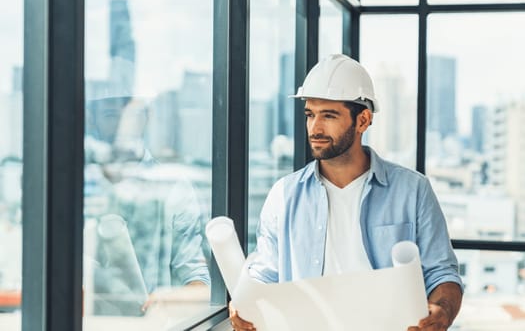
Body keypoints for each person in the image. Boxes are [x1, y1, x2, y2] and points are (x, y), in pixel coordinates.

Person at [229, 54, 463, 331]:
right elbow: (265, 272)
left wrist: (443, 311)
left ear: (362, 121)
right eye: (310, 114)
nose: (315, 128)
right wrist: (246, 299)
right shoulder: (283, 195)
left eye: (328, 115)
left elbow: (442, 273)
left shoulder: (413, 191)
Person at [85, 94, 210, 316]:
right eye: (110, 115)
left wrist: (170, 301)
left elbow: (196, 277)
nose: (121, 123)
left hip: (148, 322)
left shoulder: (173, 188)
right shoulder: (78, 183)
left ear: (145, 119)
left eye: (128, 114)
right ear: (93, 120)